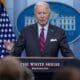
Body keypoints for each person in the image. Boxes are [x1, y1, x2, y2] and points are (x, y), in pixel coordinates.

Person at [4, 1, 74, 57]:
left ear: (49, 14)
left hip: (52, 72)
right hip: (31, 73)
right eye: (39, 13)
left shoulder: (59, 32)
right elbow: (17, 53)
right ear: (35, 15)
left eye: (44, 13)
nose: (42, 16)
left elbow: (67, 53)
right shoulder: (26, 31)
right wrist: (11, 50)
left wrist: (75, 63)